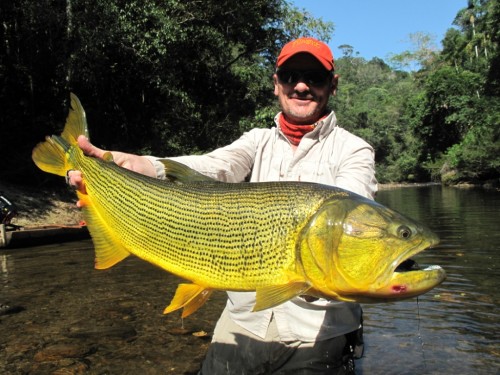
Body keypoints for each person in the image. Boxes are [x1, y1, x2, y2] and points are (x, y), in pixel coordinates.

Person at [68, 37, 377, 374]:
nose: (301, 86)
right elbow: (215, 166)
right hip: (245, 321)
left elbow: (356, 218)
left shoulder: (354, 150)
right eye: (291, 76)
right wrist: (145, 165)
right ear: (276, 84)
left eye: (314, 77)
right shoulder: (256, 141)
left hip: (319, 329)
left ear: (332, 85)